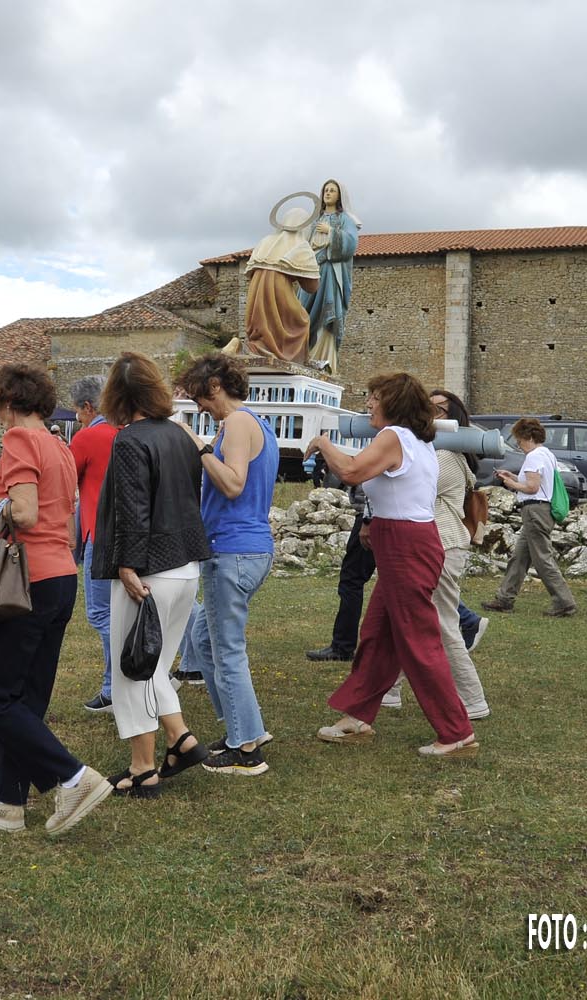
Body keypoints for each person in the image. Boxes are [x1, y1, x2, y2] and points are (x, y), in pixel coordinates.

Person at [0, 363, 113, 837]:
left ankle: (72, 778)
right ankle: (5, 799)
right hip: (61, 578)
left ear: (6, 402)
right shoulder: (59, 444)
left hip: (28, 581)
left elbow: (24, 512)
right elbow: (25, 495)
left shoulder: (20, 439)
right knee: (26, 697)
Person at [305, 372, 479, 758]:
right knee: (376, 634)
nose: (367, 403)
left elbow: (350, 471)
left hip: (406, 546)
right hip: (406, 543)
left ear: (393, 404)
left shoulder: (394, 437)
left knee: (419, 641)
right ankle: (358, 716)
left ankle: (456, 733)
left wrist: (322, 443)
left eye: (373, 397)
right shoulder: (417, 440)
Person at [91, 352, 214, 796]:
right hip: (185, 567)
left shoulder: (128, 441)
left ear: (117, 396)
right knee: (157, 666)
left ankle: (143, 768)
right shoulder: (181, 436)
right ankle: (180, 740)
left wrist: (126, 563)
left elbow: (133, 509)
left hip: (148, 571)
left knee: (134, 670)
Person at [177, 353, 278, 776]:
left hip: (232, 550)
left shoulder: (237, 423)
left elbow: (233, 484)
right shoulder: (258, 424)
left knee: (228, 650)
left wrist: (198, 446)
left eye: (199, 397)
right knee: (203, 640)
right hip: (248, 549)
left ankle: (246, 750)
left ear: (214, 386)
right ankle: (244, 726)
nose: (199, 406)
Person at [382, 389, 490, 718]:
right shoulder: (433, 451)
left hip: (443, 544)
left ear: (454, 418)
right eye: (427, 407)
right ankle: (388, 689)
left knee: (442, 624)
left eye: (439, 410)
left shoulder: (445, 457)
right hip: (433, 545)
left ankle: (472, 700)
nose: (430, 414)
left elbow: (413, 490)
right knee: (398, 619)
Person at [306, 481, 490, 662]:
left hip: (379, 517)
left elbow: (378, 480)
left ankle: (343, 645)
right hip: (397, 518)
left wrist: (367, 519)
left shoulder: (399, 451)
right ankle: (466, 618)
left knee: (353, 580)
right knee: (407, 578)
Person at [481, 417, 577, 617]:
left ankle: (564, 602)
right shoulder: (546, 454)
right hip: (540, 510)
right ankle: (504, 598)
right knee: (519, 557)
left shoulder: (534, 456)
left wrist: (511, 485)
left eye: (520, 439)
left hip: (535, 511)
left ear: (529, 437)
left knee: (542, 558)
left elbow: (532, 488)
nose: (518, 443)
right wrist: (513, 476)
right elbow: (536, 482)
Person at [69, 375, 121, 713]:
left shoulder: (88, 437)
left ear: (88, 407)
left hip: (97, 534)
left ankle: (115, 685)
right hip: (130, 534)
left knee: (101, 614)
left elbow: (64, 479)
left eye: (77, 411)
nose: (77, 417)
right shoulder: (128, 433)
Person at [238, 197, 321, 364]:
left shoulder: (265, 242)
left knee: (263, 334)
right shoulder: (300, 245)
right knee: (301, 322)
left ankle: (245, 347)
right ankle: (292, 359)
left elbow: (250, 274)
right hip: (278, 292)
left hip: (256, 297)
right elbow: (312, 287)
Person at [300, 178, 361, 375]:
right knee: (302, 313)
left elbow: (351, 243)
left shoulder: (345, 219)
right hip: (310, 270)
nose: (328, 193)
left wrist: (331, 232)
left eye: (332, 190)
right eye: (326, 190)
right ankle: (302, 355)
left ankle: (323, 358)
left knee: (327, 314)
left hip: (330, 272)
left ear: (339, 195)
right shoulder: (314, 220)